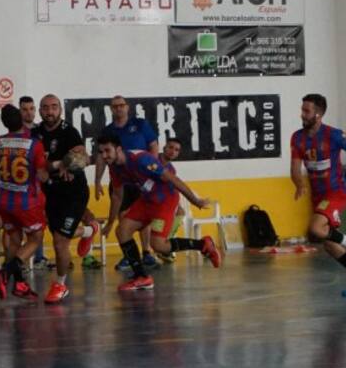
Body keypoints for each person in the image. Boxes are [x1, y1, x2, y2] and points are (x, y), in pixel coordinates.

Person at [95, 133, 220, 292]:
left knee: (159, 245)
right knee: (122, 231)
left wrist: (195, 201)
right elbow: (117, 196)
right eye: (101, 152)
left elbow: (173, 180)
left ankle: (203, 244)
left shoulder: (141, 159)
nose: (104, 156)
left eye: (107, 151)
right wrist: (110, 223)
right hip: (147, 200)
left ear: (118, 149)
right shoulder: (114, 167)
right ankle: (141, 277)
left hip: (165, 201)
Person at [290, 93, 346, 297]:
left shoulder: (333, 135)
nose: (302, 114)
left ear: (318, 114)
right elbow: (294, 168)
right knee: (328, 243)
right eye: (302, 110)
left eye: (306, 111)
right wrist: (298, 183)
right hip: (318, 197)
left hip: (336, 192)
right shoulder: (297, 138)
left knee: (315, 228)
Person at [35, 94, 101, 304]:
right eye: (46, 107)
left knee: (60, 241)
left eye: (54, 107)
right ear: (40, 110)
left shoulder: (69, 132)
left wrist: (63, 164)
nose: (50, 111)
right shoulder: (35, 133)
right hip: (50, 192)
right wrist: (55, 165)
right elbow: (35, 165)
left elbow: (83, 157)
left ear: (60, 110)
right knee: (58, 237)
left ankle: (60, 285)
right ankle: (89, 230)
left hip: (74, 192)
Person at [93, 95, 160, 268]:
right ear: (111, 109)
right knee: (123, 218)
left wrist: (152, 170)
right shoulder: (107, 131)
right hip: (121, 181)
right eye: (115, 106)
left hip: (141, 180)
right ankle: (129, 256)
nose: (118, 108)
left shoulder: (140, 124)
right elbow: (100, 157)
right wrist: (97, 180)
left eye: (121, 105)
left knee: (144, 218)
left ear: (127, 107)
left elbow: (153, 145)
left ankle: (146, 253)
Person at [0, 103, 49, 301]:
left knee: (15, 241)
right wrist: (54, 166)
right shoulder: (34, 144)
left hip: (4, 200)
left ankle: (19, 285)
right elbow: (42, 176)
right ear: (21, 118)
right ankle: (5, 272)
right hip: (25, 202)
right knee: (35, 238)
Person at [19, 95, 50, 271]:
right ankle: (22, 260)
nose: (28, 113)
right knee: (24, 224)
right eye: (25, 109)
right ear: (20, 111)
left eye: (31, 109)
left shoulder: (41, 131)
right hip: (23, 186)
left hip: (41, 184)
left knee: (40, 221)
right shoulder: (17, 133)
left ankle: (39, 257)